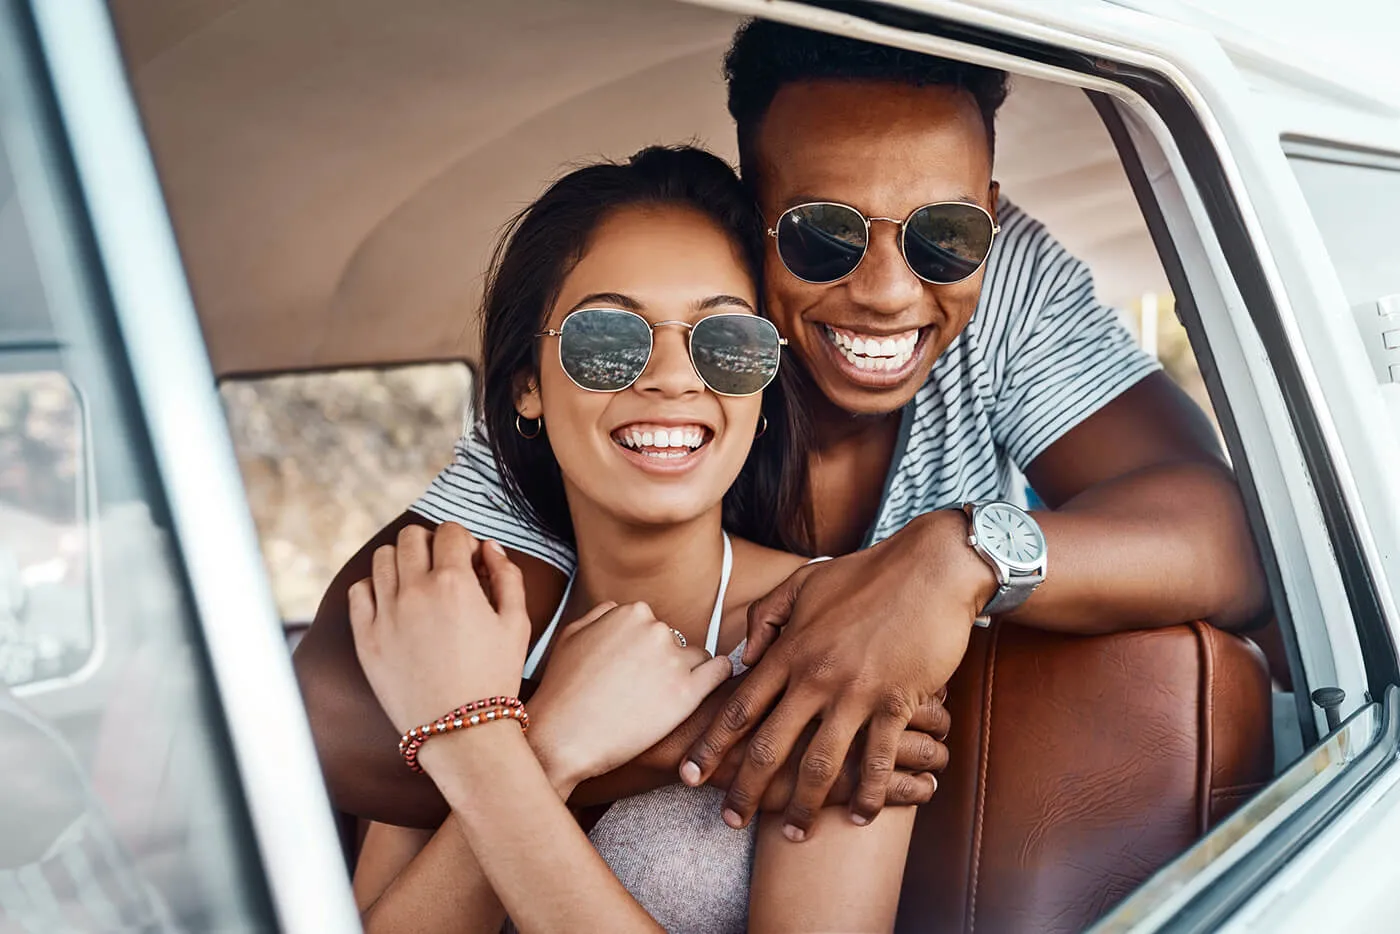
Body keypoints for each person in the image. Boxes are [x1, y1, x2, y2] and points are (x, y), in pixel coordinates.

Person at [294, 20, 1268, 844]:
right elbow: (331, 714)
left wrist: (957, 556)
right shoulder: (634, 395)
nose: (888, 290)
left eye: (944, 235)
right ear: (747, 230)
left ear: (988, 216)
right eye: (819, 232)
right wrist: (702, 736)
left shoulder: (1001, 283)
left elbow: (1230, 534)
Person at [348, 145, 915, 934]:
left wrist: (492, 752)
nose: (676, 378)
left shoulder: (839, 633)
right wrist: (550, 742)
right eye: (610, 339)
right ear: (525, 385)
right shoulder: (468, 626)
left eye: (724, 341)